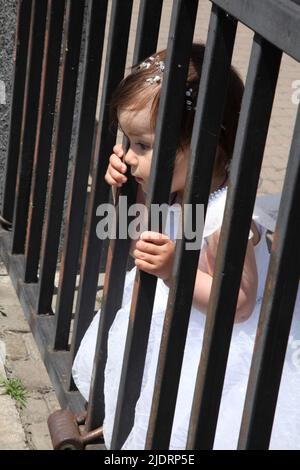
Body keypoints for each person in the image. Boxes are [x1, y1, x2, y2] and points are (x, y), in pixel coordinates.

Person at [72, 44, 300, 449]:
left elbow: (239, 303)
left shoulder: (225, 216)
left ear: (209, 145)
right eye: (128, 142)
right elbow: (136, 234)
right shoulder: (176, 189)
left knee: (187, 422)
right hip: (169, 318)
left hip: (212, 345)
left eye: (142, 146)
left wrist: (175, 270)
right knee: (148, 394)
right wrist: (125, 191)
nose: (128, 154)